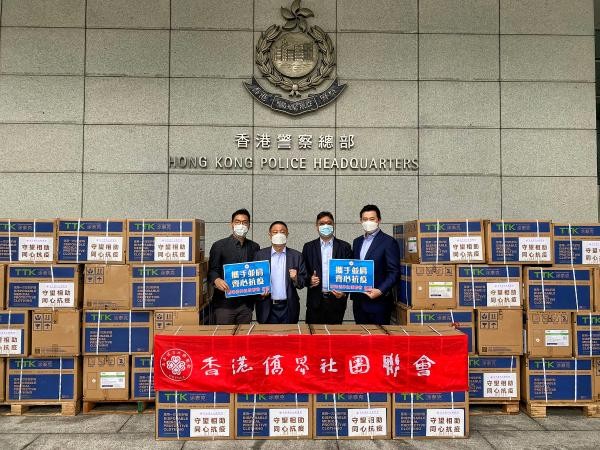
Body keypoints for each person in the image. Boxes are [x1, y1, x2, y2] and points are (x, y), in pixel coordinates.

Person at [208, 208, 260, 324]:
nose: (241, 225)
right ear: (231, 224)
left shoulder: (254, 247)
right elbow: (212, 270)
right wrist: (216, 280)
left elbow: (257, 271)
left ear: (249, 225)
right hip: (224, 303)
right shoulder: (219, 245)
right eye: (237, 222)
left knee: (243, 334)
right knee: (224, 335)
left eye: (244, 222)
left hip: (246, 304)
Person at [351, 204, 400, 325]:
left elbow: (394, 272)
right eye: (365, 219)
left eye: (372, 219)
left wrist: (380, 290)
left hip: (379, 303)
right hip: (359, 302)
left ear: (379, 220)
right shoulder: (357, 242)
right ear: (361, 221)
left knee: (379, 336)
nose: (368, 222)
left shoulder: (389, 242)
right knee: (361, 335)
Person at [302, 211, 353, 324]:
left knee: (334, 334)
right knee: (313, 334)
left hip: (336, 302)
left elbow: (350, 274)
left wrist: (344, 292)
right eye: (322, 223)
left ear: (333, 225)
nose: (326, 226)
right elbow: (303, 273)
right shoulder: (308, 247)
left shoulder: (345, 247)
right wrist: (309, 280)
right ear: (316, 226)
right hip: (315, 302)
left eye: (329, 223)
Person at [254, 221, 307, 324]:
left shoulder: (296, 256)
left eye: (282, 232)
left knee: (289, 334)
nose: (279, 234)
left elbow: (303, 283)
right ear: (270, 235)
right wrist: (260, 292)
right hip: (266, 306)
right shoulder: (259, 255)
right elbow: (254, 280)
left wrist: (295, 278)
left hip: (289, 307)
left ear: (287, 234)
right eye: (275, 232)